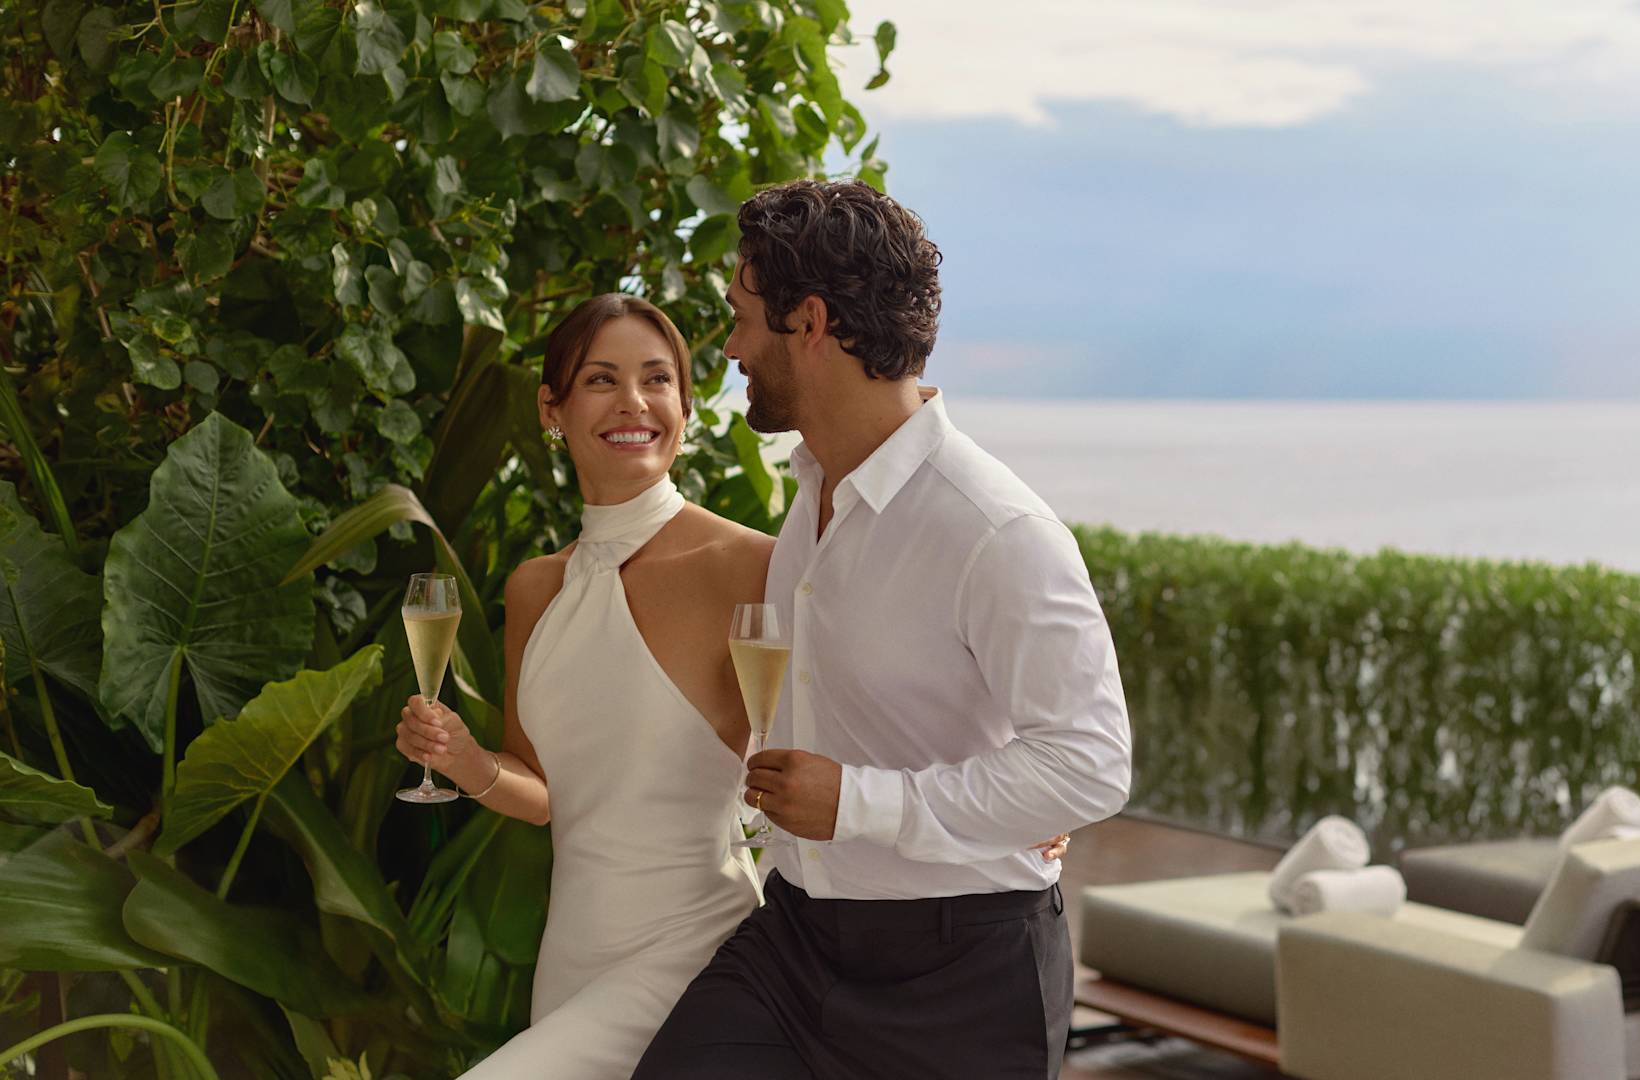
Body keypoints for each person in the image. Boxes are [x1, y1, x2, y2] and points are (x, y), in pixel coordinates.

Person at [393, 293, 1072, 1077]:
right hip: (574, 954)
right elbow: (545, 790)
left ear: (685, 409)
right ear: (553, 408)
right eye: (602, 379)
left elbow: (898, 681)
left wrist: (1027, 803)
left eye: (657, 379)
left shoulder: (752, 564)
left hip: (696, 951)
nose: (633, 402)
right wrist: (468, 762)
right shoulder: (535, 587)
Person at [631, 180, 1134, 1080]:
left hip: (964, 981)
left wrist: (863, 803)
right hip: (795, 942)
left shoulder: (997, 530)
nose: (732, 348)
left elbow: (1091, 763)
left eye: (742, 318)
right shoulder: (814, 491)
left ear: (811, 323)